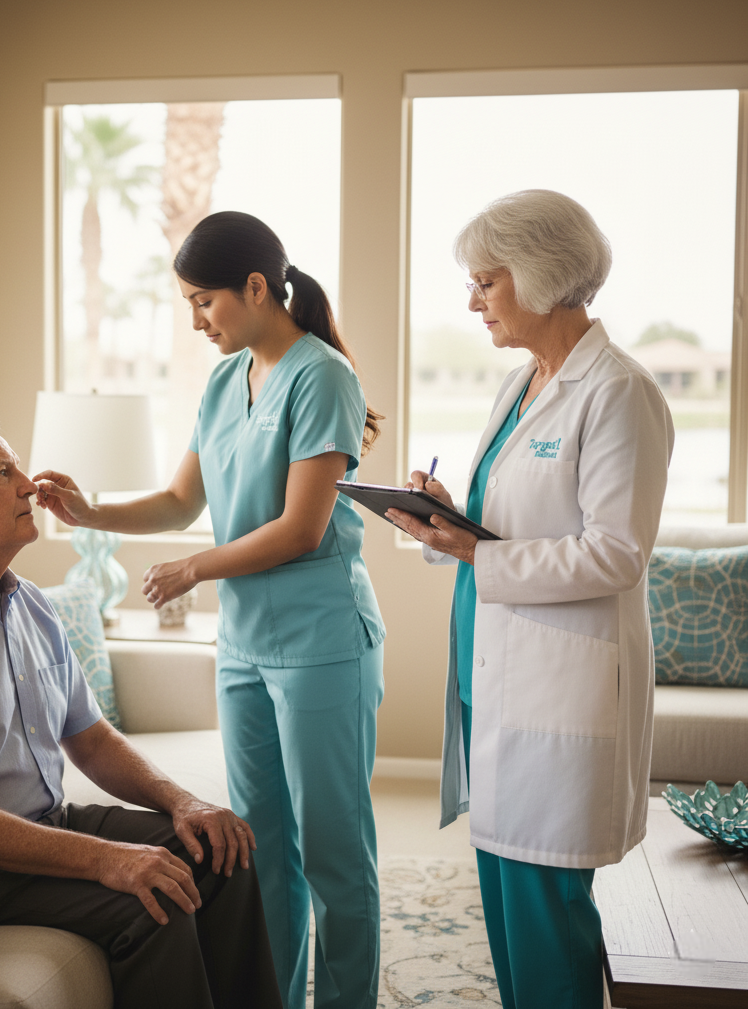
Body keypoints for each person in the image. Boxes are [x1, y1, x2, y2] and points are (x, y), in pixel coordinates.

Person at [34, 211, 386, 1009]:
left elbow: (302, 528)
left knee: (333, 853)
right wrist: (91, 513)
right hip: (246, 648)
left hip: (323, 641)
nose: (196, 322)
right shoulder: (227, 380)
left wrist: (196, 566)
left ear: (256, 288)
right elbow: (177, 499)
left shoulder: (323, 375)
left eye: (204, 302)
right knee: (261, 855)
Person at [0, 413, 282, 1009]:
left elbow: (92, 740)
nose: (29, 484)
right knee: (156, 898)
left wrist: (184, 803)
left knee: (221, 851)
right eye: (3, 473)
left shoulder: (30, 605)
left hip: (41, 824)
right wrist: (109, 861)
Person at [388, 190, 674, 1009]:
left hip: (557, 695)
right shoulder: (521, 385)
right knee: (508, 917)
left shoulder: (619, 393)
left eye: (485, 282)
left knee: (549, 924)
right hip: (496, 685)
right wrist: (448, 517)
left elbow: (616, 553)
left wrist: (478, 549)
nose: (471, 301)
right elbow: (515, 526)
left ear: (542, 277)